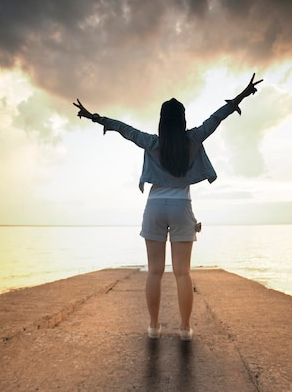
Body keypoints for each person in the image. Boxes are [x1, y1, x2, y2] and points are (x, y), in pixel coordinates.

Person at [73, 74, 262, 341]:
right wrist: (242, 96)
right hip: (182, 206)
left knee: (154, 271)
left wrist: (95, 117)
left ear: (162, 121)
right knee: (183, 273)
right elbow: (216, 118)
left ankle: (153, 327)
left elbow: (123, 128)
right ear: (182, 120)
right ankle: (185, 329)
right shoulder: (193, 139)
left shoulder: (152, 142)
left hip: (155, 207)